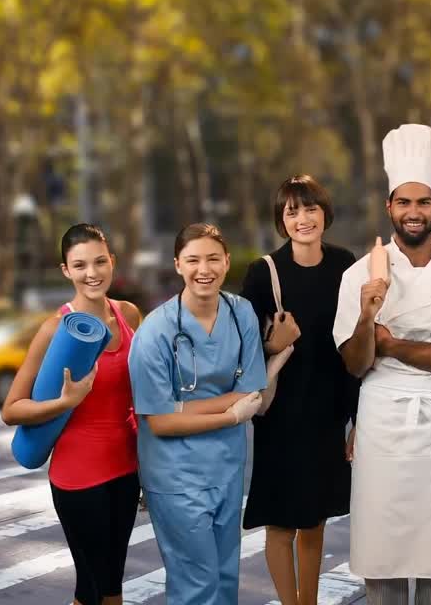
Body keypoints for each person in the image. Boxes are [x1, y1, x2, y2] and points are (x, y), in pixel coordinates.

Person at [333, 124, 431, 605]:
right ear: (389, 208)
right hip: (382, 424)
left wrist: (395, 345)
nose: (413, 212)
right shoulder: (360, 274)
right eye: (403, 203)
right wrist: (367, 317)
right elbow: (355, 364)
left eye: (422, 202)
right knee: (381, 557)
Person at [1, 224, 144, 605]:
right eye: (79, 265)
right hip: (79, 477)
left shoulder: (129, 315)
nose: (92, 272)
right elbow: (11, 409)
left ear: (112, 261)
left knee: (103, 585)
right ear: (66, 270)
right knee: (103, 592)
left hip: (127, 470)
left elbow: (145, 394)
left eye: (100, 261)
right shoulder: (54, 330)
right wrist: (65, 402)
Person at [128, 223, 268, 605]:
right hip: (175, 474)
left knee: (225, 578)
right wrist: (231, 415)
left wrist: (184, 406)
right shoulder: (156, 332)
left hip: (226, 467)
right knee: (197, 584)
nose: (203, 269)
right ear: (177, 265)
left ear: (226, 262)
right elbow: (161, 421)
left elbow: (252, 392)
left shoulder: (242, 315)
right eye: (192, 260)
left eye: (212, 259)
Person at [241, 175, 358, 605]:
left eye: (310, 209)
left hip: (328, 412)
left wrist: (356, 419)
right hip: (281, 415)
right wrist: (274, 343)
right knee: (281, 523)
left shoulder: (346, 265)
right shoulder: (262, 272)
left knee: (315, 521)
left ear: (325, 213)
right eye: (292, 212)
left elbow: (359, 345)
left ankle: (308, 601)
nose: (303, 219)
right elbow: (241, 345)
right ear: (282, 221)